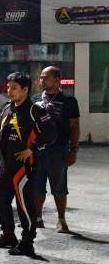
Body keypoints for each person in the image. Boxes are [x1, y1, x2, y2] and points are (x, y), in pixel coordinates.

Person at [0, 72, 56, 257]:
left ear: (25, 90)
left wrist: (31, 148)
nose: (9, 91)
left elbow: (50, 133)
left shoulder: (35, 110)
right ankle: (8, 235)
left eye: (14, 88)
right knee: (0, 200)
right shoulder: (7, 108)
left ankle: (27, 242)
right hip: (4, 165)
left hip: (24, 167)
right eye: (8, 87)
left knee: (25, 206)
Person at [32, 66, 80, 233]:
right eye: (42, 77)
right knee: (37, 186)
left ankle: (61, 220)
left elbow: (74, 127)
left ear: (57, 79)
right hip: (38, 150)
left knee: (59, 187)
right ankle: (37, 218)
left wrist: (73, 149)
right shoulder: (35, 100)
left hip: (58, 150)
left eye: (46, 77)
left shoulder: (68, 100)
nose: (42, 80)